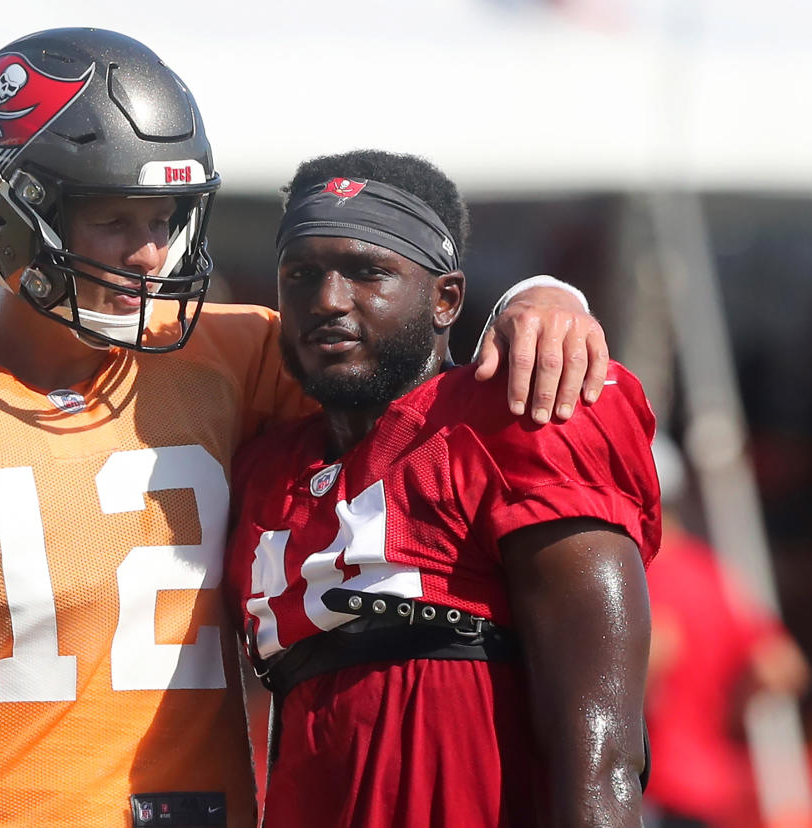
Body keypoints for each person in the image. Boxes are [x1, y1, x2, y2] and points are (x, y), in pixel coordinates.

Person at [0, 29, 613, 828]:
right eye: (114, 219)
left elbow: (414, 375)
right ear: (7, 210)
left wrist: (543, 298)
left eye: (163, 220)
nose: (150, 253)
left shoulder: (230, 356)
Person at [223, 149, 662, 827]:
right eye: (301, 275)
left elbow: (603, 748)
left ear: (446, 298)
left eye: (368, 271)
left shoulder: (516, 412)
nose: (328, 301)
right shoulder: (261, 466)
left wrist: (546, 292)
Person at [644, 434, 810, 828]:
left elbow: (658, 654)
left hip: (654, 788)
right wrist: (729, 708)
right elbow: (783, 667)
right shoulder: (715, 574)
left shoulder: (642, 576)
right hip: (712, 791)